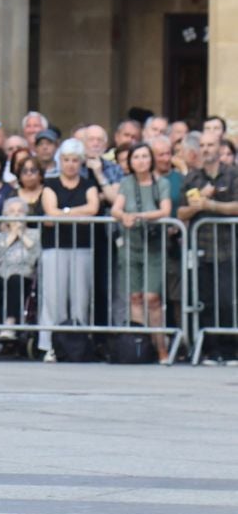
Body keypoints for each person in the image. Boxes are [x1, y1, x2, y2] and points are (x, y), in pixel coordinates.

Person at [177, 131, 238, 364]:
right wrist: (197, 206)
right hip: (201, 247)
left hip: (228, 247)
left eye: (210, 145)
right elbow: (181, 212)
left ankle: (231, 349)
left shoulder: (232, 174)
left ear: (219, 147)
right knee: (205, 300)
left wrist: (209, 204)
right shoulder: (193, 178)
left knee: (227, 299)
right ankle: (210, 349)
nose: (205, 149)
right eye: (202, 145)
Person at [38, 138, 100, 362]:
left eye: (75, 160)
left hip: (81, 246)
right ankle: (49, 346)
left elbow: (93, 209)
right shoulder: (50, 184)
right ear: (60, 161)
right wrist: (75, 214)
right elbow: (49, 211)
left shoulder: (88, 185)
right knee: (53, 297)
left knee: (80, 297)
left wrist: (63, 213)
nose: (71, 164)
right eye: (66, 160)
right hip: (54, 246)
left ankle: (78, 343)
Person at [111, 142, 172, 363]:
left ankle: (161, 347)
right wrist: (123, 216)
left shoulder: (161, 183)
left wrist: (140, 216)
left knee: (152, 298)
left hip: (153, 247)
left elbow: (165, 210)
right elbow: (116, 208)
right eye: (136, 157)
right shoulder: (126, 183)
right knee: (135, 297)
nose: (141, 161)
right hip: (131, 246)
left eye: (145, 156)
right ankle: (141, 346)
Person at [0, 196, 40, 342]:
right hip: (0, 274)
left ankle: (9, 325)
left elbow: (34, 258)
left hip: (22, 277)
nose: (16, 215)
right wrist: (10, 238)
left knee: (15, 280)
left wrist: (20, 235)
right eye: (12, 212)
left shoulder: (34, 235)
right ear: (5, 216)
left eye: (20, 211)